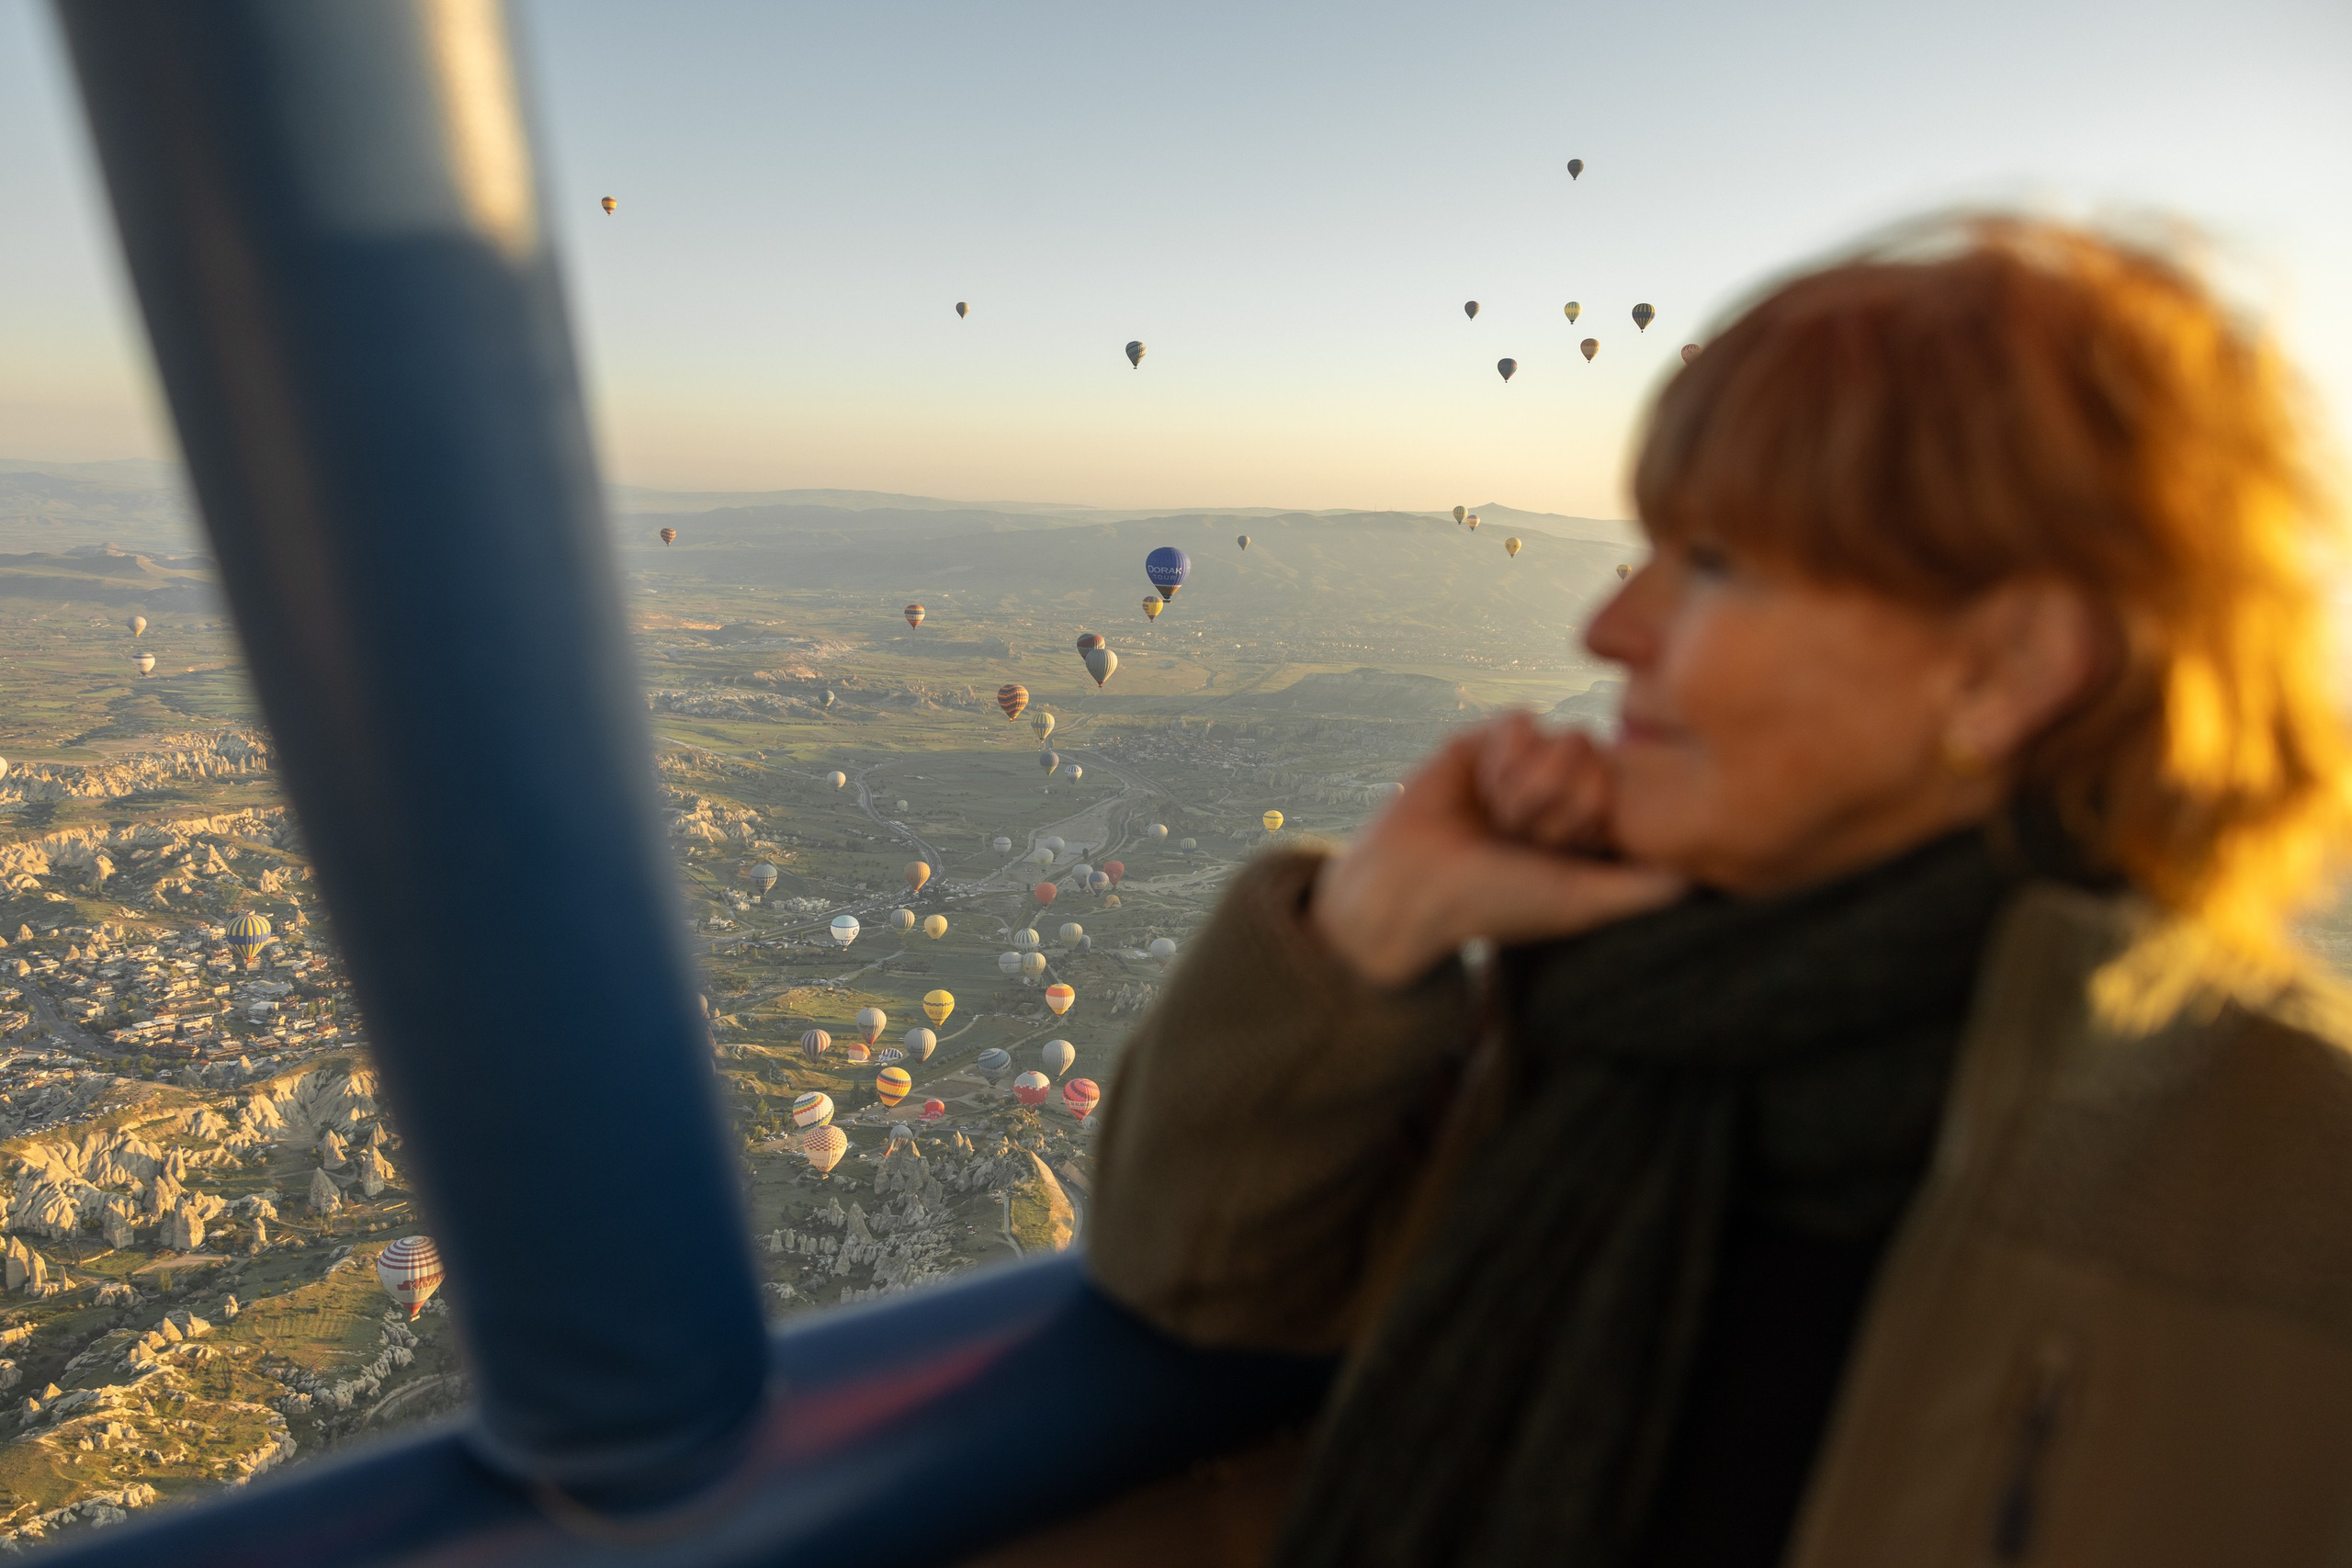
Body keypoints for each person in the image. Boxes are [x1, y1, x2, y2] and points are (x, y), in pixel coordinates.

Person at [1086, 220, 2352, 1568]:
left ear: (2006, 666)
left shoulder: (2289, 1180)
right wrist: (1368, 926)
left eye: (1717, 565)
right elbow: (1193, 1277)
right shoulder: (1612, 1013)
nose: (1606, 629)